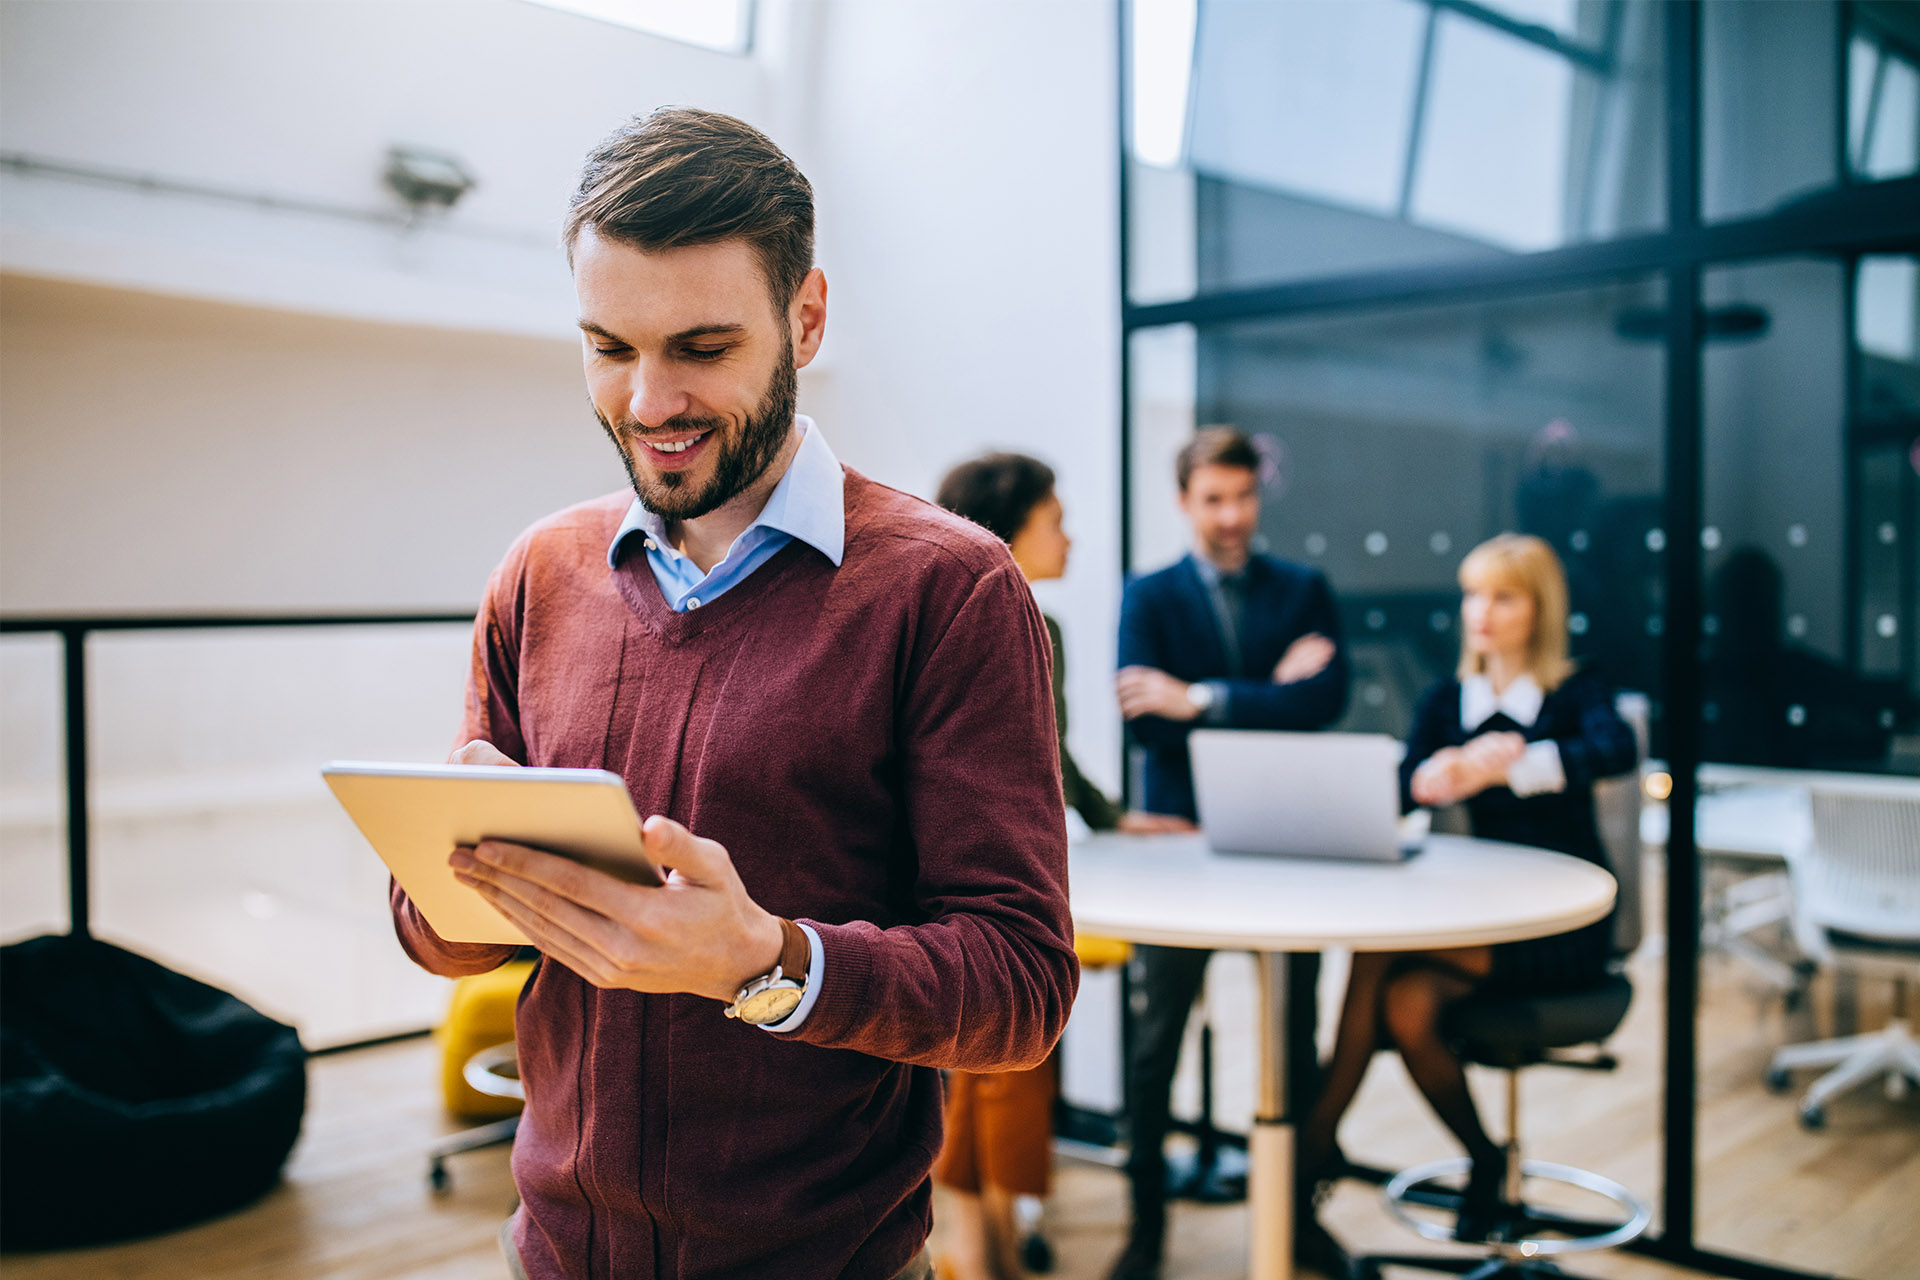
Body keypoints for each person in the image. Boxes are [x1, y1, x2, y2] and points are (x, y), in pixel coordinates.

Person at [388, 108, 1078, 1280]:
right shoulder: (539, 574)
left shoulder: (949, 589)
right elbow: (439, 935)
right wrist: (452, 880)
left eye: (701, 347)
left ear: (805, 317)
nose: (649, 400)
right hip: (549, 1255)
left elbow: (1017, 983)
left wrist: (761, 960)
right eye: (609, 346)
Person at [1298, 533, 1636, 1243]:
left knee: (1373, 955)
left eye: (1503, 597)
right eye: (1474, 595)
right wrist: (1431, 777)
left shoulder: (1576, 687)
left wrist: (1508, 766)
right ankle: (1483, 1160)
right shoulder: (1448, 698)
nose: (1481, 612)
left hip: (1559, 924)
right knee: (1407, 1004)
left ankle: (1312, 1145)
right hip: (1486, 914)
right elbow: (1401, 788)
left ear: (1539, 610)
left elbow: (1613, 750)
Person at [932, 453, 1190, 1280]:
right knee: (999, 1055)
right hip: (968, 872)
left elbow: (1050, 757)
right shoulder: (993, 619)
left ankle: (983, 1242)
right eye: (1056, 518)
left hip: (976, 865)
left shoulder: (1040, 628)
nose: (1070, 535)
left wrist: (1115, 817)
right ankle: (981, 1247)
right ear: (1009, 529)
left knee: (991, 1060)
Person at [1109, 426, 1350, 1280]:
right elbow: (1142, 711)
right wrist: (1269, 693)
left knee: (1296, 1038)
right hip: (1180, 848)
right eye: (1213, 499)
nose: (1231, 515)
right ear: (1184, 502)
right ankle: (1144, 1229)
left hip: (1286, 847)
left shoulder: (1305, 588)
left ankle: (1301, 1219)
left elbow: (1326, 700)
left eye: (1243, 497)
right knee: (1155, 1044)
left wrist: (1202, 697)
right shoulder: (1149, 596)